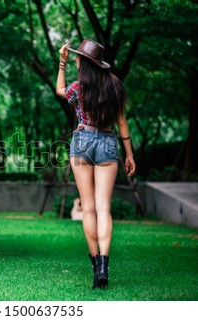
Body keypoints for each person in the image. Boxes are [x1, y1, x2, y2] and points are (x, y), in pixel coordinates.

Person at [55, 39, 136, 289]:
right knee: (104, 209)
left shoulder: (79, 87)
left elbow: (60, 90)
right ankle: (104, 265)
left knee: (88, 209)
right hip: (108, 143)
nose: (77, 60)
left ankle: (95, 267)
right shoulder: (115, 86)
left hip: (82, 141)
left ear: (84, 63)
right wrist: (130, 155)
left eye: (78, 57)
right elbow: (122, 123)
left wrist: (62, 62)